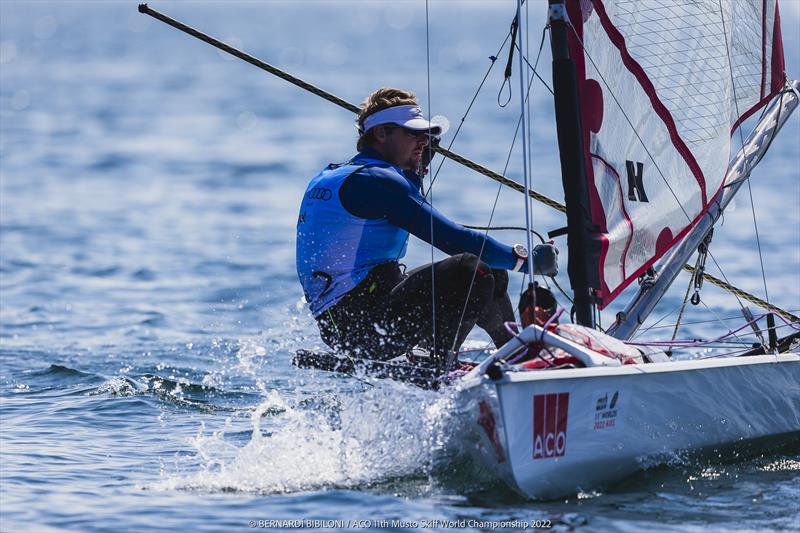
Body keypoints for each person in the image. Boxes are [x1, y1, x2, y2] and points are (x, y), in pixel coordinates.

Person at [296, 87, 558, 370]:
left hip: (363, 309)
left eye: (426, 135)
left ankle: (516, 354)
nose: (423, 141)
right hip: (359, 329)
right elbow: (453, 239)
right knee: (470, 269)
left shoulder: (341, 172)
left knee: (489, 268)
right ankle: (435, 360)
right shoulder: (376, 181)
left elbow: (399, 205)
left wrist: (413, 168)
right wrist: (526, 261)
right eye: (413, 133)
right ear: (381, 134)